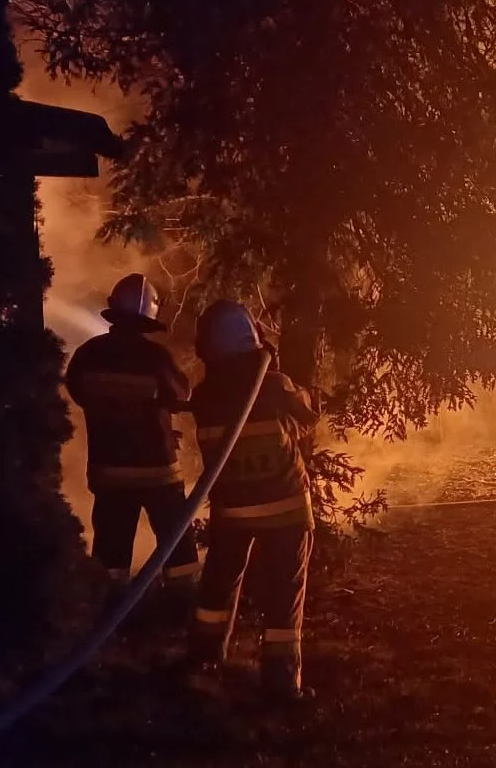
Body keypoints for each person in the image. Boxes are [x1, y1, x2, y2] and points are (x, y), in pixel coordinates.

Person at [187, 300, 318, 701]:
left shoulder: (204, 395)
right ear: (253, 338)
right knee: (283, 597)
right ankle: (281, 683)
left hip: (232, 512)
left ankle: (204, 663)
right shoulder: (273, 384)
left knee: (217, 590)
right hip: (285, 510)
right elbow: (309, 414)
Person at [64, 273, 201, 597]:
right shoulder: (156, 358)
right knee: (177, 550)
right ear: (148, 319)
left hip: (110, 473)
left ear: (113, 310)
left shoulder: (87, 355)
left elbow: (78, 392)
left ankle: (110, 617)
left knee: (111, 555)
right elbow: (181, 394)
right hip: (159, 474)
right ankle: (180, 609)